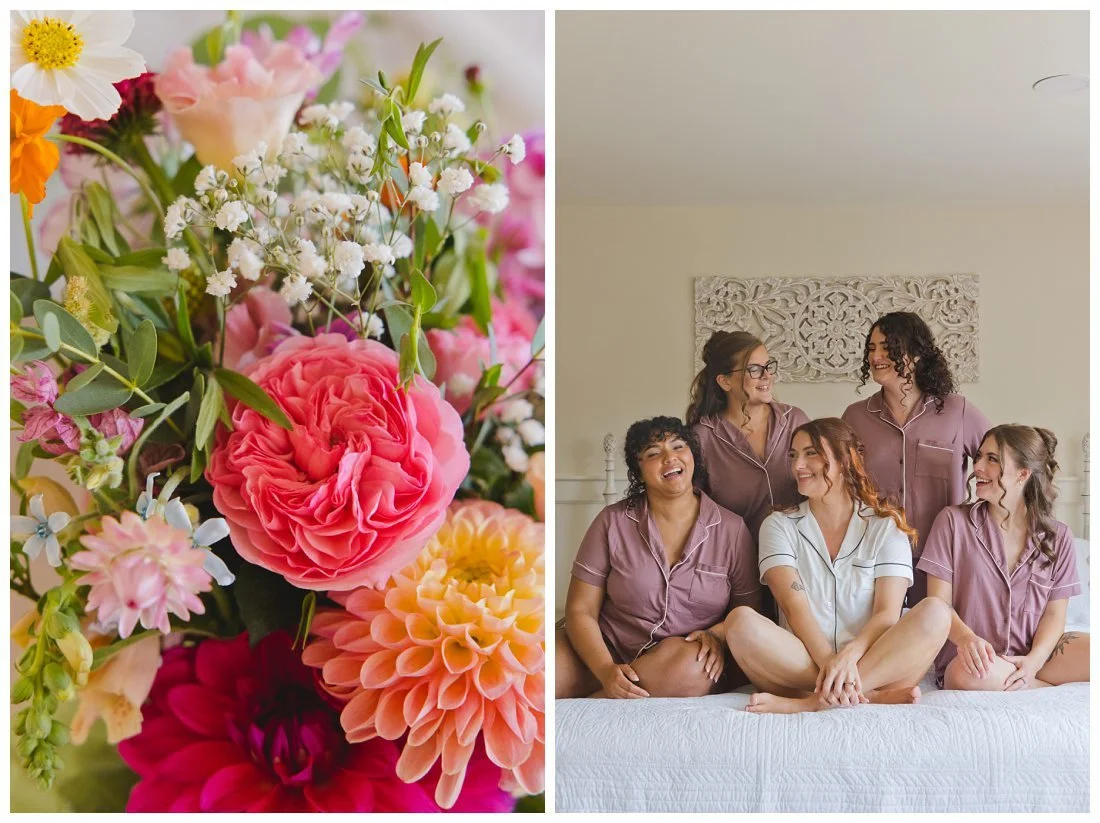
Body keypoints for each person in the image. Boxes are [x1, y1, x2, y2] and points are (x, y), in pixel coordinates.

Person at [723, 418, 952, 714]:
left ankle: (813, 702)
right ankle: (861, 694)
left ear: (845, 460)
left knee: (936, 612)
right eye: (793, 455)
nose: (797, 466)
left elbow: (886, 613)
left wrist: (850, 655)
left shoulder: (886, 526)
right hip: (802, 662)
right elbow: (794, 606)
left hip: (875, 658)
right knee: (740, 622)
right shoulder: (779, 526)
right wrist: (830, 664)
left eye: (811, 453)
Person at [556, 416, 761, 699]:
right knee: (546, 666)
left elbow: (750, 613)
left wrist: (716, 635)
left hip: (681, 657)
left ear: (692, 457)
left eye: (678, 447)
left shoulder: (732, 529)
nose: (669, 458)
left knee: (694, 666)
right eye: (653, 453)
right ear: (638, 471)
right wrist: (605, 669)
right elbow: (581, 610)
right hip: (605, 649)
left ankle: (594, 703)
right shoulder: (612, 521)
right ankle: (605, 692)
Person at [918, 425, 1089, 691]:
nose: (977, 468)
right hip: (971, 659)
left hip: (1033, 654)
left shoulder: (1058, 537)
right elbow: (938, 603)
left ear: (1023, 474)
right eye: (979, 457)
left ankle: (1025, 679)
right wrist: (966, 639)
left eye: (992, 459)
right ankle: (1040, 688)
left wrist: (1033, 662)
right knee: (966, 673)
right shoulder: (952, 523)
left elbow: (1055, 615)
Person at [841, 311, 990, 601]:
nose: (877, 356)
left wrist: (983, 525)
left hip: (943, 559)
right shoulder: (855, 417)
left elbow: (1002, 464)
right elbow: (839, 484)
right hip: (872, 556)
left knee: (940, 639)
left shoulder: (956, 412)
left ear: (918, 354)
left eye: (889, 347)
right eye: (872, 348)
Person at [689, 331, 810, 541]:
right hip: (735, 561)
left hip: (800, 555)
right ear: (725, 382)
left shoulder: (795, 422)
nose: (767, 376)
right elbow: (692, 511)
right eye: (753, 369)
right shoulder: (703, 438)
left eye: (768, 366)